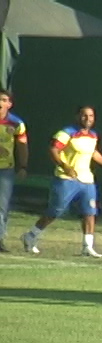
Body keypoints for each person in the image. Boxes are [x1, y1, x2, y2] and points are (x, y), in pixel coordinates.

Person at [21, 106, 102, 257]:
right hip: (66, 179)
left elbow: (94, 153)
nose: (88, 119)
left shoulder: (93, 135)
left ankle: (87, 246)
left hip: (87, 180)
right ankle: (31, 236)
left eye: (91, 116)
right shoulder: (67, 133)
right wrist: (64, 166)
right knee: (56, 211)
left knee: (90, 212)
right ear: (77, 117)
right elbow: (53, 149)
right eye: (84, 116)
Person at [0, 89, 29, 253]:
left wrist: (23, 166)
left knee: (2, 206)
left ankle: (0, 238)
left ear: (9, 104)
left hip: (5, 170)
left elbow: (22, 146)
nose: (0, 103)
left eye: (4, 100)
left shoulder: (16, 123)